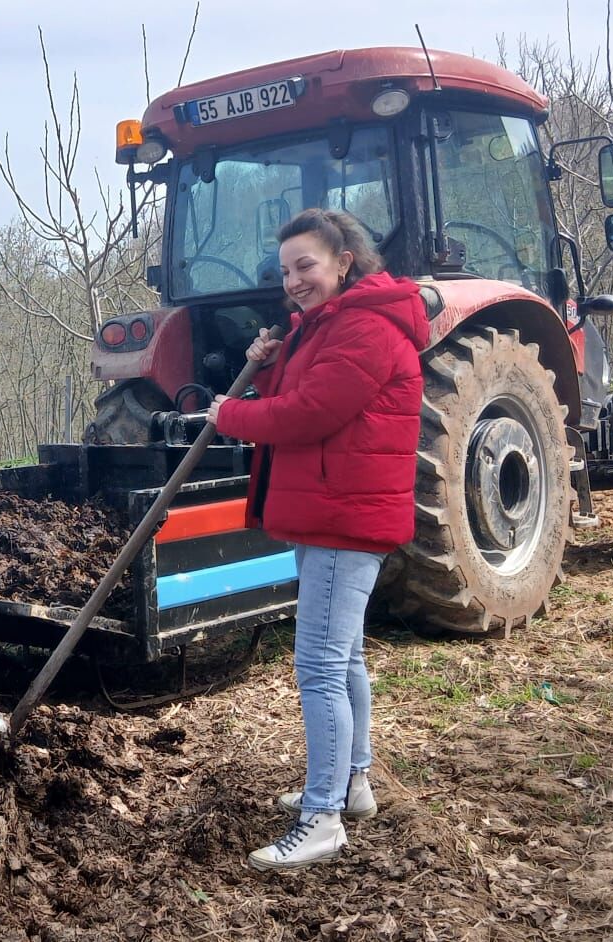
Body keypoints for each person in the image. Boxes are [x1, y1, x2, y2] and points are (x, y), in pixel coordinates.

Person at [207, 208, 428, 870]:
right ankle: (353, 782)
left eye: (306, 265)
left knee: (321, 666)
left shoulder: (367, 329)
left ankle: (322, 816)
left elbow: (309, 415)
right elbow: (300, 392)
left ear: (344, 261)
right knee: (346, 655)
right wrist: (265, 367)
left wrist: (231, 415)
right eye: (285, 271)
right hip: (328, 508)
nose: (294, 280)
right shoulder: (324, 326)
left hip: (344, 516)